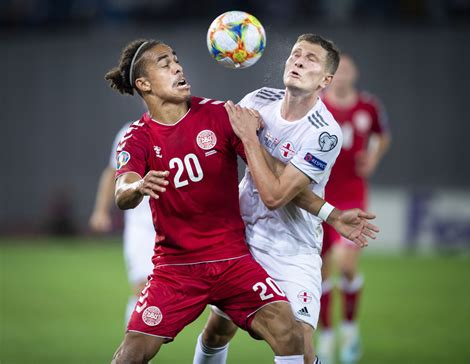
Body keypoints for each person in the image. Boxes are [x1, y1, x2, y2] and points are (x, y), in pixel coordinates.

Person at [105, 39, 377, 364]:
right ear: (144, 84)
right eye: (165, 63)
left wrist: (329, 214)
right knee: (135, 353)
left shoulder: (221, 115)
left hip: (240, 256)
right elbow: (123, 189)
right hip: (178, 268)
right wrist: (136, 189)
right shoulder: (137, 136)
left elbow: (278, 185)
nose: (177, 66)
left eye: (176, 59)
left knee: (292, 336)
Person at [193, 34, 377, 364]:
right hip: (243, 239)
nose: (298, 61)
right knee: (217, 330)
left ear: (326, 80)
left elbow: (276, 194)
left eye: (310, 59)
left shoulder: (324, 132)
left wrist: (250, 137)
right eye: (295, 54)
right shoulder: (258, 99)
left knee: (301, 343)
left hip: (292, 249)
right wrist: (333, 215)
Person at [317, 54, 391, 364]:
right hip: (320, 196)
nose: (344, 75)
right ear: (329, 76)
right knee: (320, 271)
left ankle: (348, 328)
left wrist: (374, 157)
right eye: (338, 70)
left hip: (352, 196)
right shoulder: (318, 105)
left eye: (348, 69)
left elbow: (382, 135)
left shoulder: (368, 106)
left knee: (346, 264)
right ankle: (327, 333)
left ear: (355, 73)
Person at [89, 122, 155, 323]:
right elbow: (112, 173)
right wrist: (100, 211)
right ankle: (134, 350)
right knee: (143, 290)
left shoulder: (189, 128)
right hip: (143, 225)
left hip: (183, 225)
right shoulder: (130, 133)